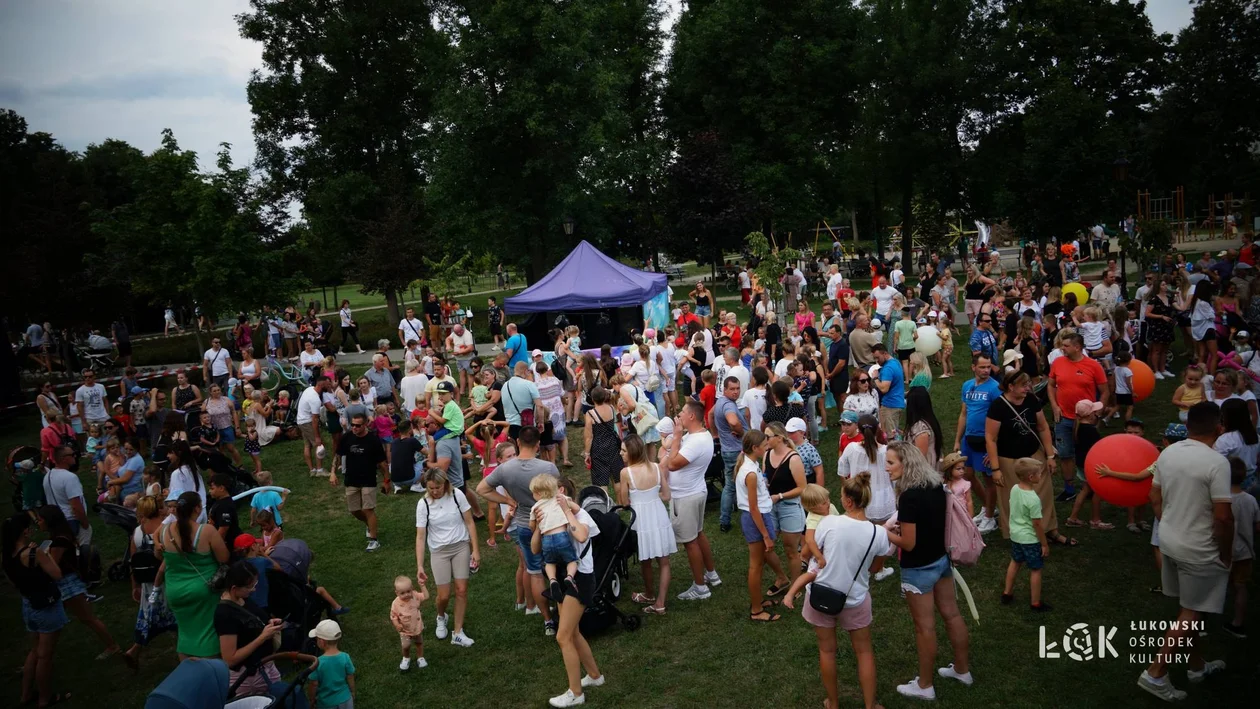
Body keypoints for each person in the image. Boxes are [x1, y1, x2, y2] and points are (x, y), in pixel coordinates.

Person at [1137, 402, 1232, 701]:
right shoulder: (1218, 463)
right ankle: (1156, 672)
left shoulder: (1168, 453)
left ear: (1188, 425)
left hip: (1169, 540)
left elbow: (1155, 495)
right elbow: (1223, 517)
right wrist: (1226, 552)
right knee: (1191, 612)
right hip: (1199, 548)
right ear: (1219, 428)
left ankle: (1196, 665)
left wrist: (1167, 522)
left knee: (1188, 607)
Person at [783, 473, 893, 709]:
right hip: (855, 599)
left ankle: (832, 703)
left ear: (849, 501)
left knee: (827, 651)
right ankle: (870, 705)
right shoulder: (879, 534)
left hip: (820, 593)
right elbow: (875, 568)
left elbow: (809, 554)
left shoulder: (827, 523)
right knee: (864, 652)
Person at [885, 442, 972, 701]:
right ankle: (962, 669)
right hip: (942, 560)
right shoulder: (936, 485)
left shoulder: (909, 496)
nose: (886, 468)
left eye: (890, 463)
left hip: (918, 568)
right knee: (952, 615)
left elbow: (908, 543)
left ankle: (924, 685)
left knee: (925, 628)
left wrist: (883, 531)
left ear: (906, 463)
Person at [478, 426, 562, 635]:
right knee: (557, 567)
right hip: (550, 524)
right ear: (537, 445)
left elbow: (481, 489)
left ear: (517, 443)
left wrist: (507, 499)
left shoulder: (506, 469)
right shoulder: (548, 467)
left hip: (524, 525)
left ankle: (547, 621)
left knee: (534, 572)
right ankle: (563, 610)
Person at [984, 370, 1073, 546]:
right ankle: (1020, 536)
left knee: (1043, 494)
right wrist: (995, 469)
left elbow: (1042, 427)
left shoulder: (1031, 400)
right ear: (1011, 386)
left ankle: (1050, 531)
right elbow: (990, 438)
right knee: (1012, 499)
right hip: (1009, 460)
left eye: (1028, 384)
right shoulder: (998, 406)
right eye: (1023, 385)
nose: (1028, 388)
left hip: (1034, 455)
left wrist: (1049, 456)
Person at [544, 477, 606, 708]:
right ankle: (594, 676)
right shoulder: (552, 519)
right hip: (563, 579)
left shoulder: (582, 517)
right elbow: (536, 548)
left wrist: (569, 510)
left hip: (581, 579)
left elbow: (581, 536)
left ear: (561, 492)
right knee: (573, 632)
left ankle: (576, 693)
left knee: (563, 636)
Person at [4, 513, 71, 708]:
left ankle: (25, 694)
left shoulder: (7, 557)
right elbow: (57, 574)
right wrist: (46, 553)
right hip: (46, 606)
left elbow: (14, 583)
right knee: (45, 656)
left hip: (28, 603)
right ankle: (45, 698)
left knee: (34, 651)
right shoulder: (34, 554)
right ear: (24, 531)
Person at [36, 506, 120, 659]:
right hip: (67, 583)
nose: (38, 522)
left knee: (87, 618)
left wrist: (40, 556)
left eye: (40, 519)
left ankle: (112, 646)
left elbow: (52, 565)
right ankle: (39, 654)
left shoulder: (59, 541)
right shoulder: (62, 536)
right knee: (58, 622)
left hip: (68, 585)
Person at [661, 400, 722, 600]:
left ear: (692, 416)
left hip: (685, 496)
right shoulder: (698, 436)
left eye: (682, 412)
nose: (679, 415)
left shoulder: (695, 441)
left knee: (690, 542)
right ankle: (711, 574)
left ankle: (700, 587)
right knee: (698, 533)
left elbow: (673, 464)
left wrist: (677, 436)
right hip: (695, 491)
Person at [158, 491, 230, 659]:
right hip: (204, 591)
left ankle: (189, 670)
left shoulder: (164, 531)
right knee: (208, 632)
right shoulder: (206, 531)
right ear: (197, 508)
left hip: (175, 590)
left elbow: (160, 556)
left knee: (185, 632)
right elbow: (224, 558)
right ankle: (211, 669)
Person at [415, 469, 478, 648]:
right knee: (443, 595)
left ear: (446, 483)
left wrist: (475, 550)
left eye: (438, 487)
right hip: (439, 552)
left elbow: (469, 522)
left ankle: (457, 632)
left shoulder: (457, 495)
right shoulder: (423, 504)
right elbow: (420, 536)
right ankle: (441, 616)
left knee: (461, 590)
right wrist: (420, 565)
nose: (435, 491)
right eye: (431, 488)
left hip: (460, 547)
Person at [615, 433, 675, 615]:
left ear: (632, 452)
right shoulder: (656, 468)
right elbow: (666, 495)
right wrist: (651, 498)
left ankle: (650, 594)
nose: (620, 453)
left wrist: (638, 500)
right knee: (664, 562)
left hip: (641, 520)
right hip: (658, 515)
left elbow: (624, 502)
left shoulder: (626, 473)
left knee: (645, 560)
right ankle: (660, 602)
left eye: (624, 450)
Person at [1046, 331, 1107, 501]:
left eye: (1065, 346)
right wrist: (1054, 405)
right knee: (1065, 454)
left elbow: (1105, 391)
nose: (1062, 348)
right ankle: (1069, 489)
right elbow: (1051, 386)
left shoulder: (1093, 366)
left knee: (1088, 453)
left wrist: (1097, 412)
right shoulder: (1058, 363)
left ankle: (1091, 486)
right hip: (1063, 417)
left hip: (1086, 420)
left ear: (1077, 347)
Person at [215, 561, 284, 697]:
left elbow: (251, 622)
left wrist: (268, 623)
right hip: (249, 677)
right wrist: (262, 637)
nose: (253, 589)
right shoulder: (224, 614)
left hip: (266, 666)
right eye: (250, 586)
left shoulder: (242, 599)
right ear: (234, 588)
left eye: (255, 584)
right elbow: (230, 659)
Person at [123, 495, 176, 667]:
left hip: (148, 585)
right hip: (168, 581)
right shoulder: (166, 529)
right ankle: (187, 654)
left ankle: (134, 650)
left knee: (148, 617)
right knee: (177, 618)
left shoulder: (137, 533)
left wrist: (135, 586)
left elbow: (133, 561)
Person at [953, 354, 1002, 533]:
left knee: (989, 479)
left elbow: (1000, 418)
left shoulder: (995, 388)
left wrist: (994, 448)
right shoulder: (967, 385)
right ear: (973, 367)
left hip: (986, 439)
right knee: (967, 474)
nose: (986, 370)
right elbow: (964, 413)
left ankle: (990, 518)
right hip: (969, 438)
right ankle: (987, 508)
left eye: (988, 367)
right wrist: (958, 440)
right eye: (982, 367)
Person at [1001, 457, 1052, 611]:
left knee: (1015, 562)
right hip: (1029, 539)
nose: (1040, 476)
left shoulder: (1015, 488)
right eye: (1039, 473)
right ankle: (1035, 603)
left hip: (1016, 535)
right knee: (1036, 569)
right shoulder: (1034, 500)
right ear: (1031, 477)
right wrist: (1044, 543)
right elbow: (1037, 524)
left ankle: (1007, 593)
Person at [333, 411, 389, 552]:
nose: (354, 428)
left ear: (365, 425)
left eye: (358, 425)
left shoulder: (373, 440)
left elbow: (382, 463)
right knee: (354, 510)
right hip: (351, 479)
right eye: (352, 425)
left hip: (368, 479)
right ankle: (369, 525)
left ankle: (374, 540)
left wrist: (386, 480)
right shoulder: (347, 438)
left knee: (368, 509)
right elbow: (338, 455)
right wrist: (333, 472)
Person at [762, 422, 807, 589]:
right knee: (765, 546)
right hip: (771, 507)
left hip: (790, 507)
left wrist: (779, 496)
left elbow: (802, 488)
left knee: (791, 550)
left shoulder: (793, 458)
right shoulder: (766, 455)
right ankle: (782, 578)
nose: (764, 439)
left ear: (779, 438)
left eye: (767, 436)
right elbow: (766, 475)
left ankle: (795, 586)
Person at [530, 473, 580, 598]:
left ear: (539, 493)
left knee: (549, 562)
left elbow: (531, 525)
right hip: (561, 536)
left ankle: (552, 580)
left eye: (533, 493)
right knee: (572, 560)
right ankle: (569, 577)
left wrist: (536, 522)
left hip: (546, 540)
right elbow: (577, 509)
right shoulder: (560, 498)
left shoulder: (535, 507)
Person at [1226, 460, 1258, 638]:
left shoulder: (1220, 500)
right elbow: (1257, 525)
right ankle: (1237, 623)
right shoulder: (1250, 500)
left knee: (1216, 586)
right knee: (1241, 587)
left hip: (1222, 550)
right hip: (1245, 551)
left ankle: (1200, 623)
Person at [713, 376, 748, 532]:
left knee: (730, 485)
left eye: (737, 388)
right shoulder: (728, 405)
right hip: (737, 451)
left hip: (728, 450)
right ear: (724, 389)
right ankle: (727, 520)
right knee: (735, 486)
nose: (735, 392)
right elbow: (733, 422)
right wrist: (741, 433)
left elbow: (710, 414)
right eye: (732, 389)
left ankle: (725, 520)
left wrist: (716, 434)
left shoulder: (720, 401)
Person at [42, 446, 90, 541]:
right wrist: (85, 524)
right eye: (72, 455)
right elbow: (76, 506)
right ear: (63, 459)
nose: (75, 456)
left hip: (56, 523)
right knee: (82, 551)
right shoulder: (70, 477)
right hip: (71, 521)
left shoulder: (47, 476)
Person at [308, 619, 356, 709]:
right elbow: (350, 676)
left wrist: (312, 699)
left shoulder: (317, 663)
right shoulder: (345, 657)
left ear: (322, 642)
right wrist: (352, 692)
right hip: (346, 700)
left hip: (326, 703)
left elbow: (314, 684)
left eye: (317, 638)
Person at [582, 387, 621, 489]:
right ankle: (622, 503)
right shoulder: (611, 408)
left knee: (601, 481)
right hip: (613, 445)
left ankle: (605, 503)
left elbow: (589, 437)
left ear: (593, 399)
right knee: (617, 478)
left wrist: (587, 454)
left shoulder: (590, 414)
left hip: (598, 448)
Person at [297, 375, 330, 476]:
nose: (329, 386)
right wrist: (317, 437)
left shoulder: (309, 389)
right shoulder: (315, 399)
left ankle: (312, 470)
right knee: (318, 446)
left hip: (300, 421)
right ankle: (319, 470)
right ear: (322, 384)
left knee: (307, 445)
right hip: (307, 422)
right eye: (328, 384)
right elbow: (314, 419)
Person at [871, 344, 905, 439]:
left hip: (889, 405)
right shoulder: (895, 362)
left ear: (885, 353)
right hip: (898, 403)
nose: (876, 361)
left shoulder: (888, 369)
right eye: (874, 358)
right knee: (895, 432)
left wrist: (876, 378)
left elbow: (884, 389)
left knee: (890, 437)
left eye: (878, 358)